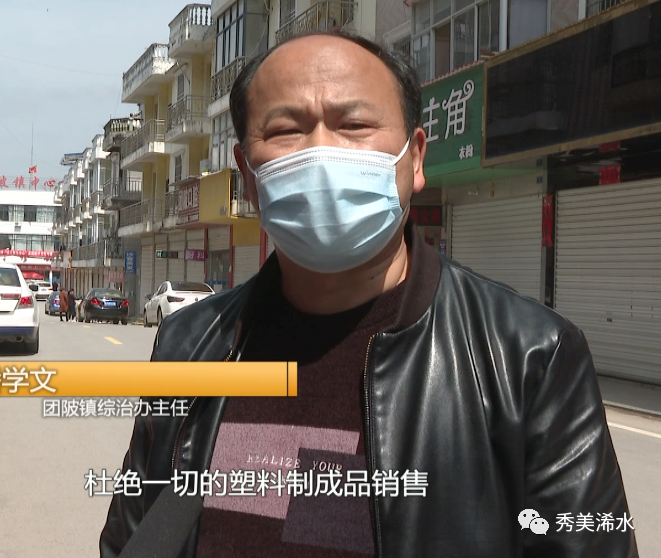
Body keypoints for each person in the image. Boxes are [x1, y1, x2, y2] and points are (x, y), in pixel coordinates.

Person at [99, 32, 637, 558]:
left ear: (416, 158)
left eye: (354, 125)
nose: (321, 152)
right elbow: (131, 536)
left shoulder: (528, 356)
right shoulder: (190, 343)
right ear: (247, 174)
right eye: (286, 130)